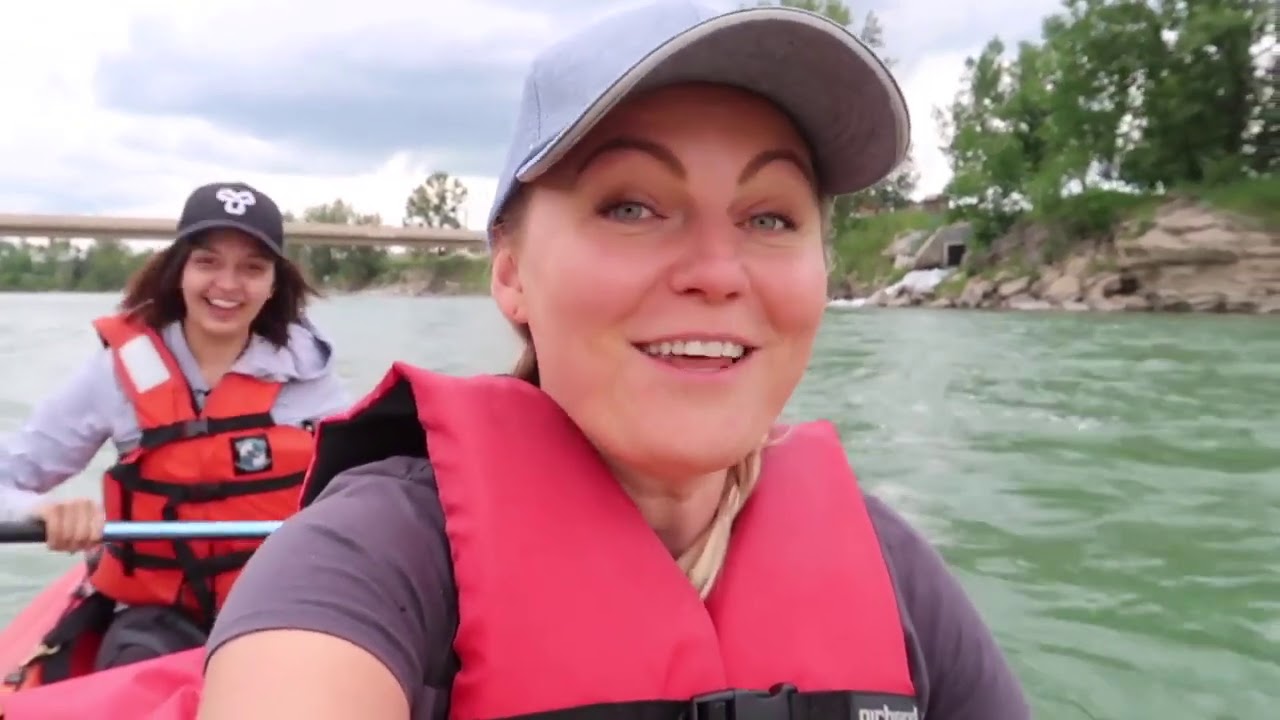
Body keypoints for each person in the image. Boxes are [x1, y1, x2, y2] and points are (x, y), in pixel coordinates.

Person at [200, 4, 1031, 720]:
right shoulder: (371, 562)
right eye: (632, 207)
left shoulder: (893, 572)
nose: (717, 271)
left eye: (771, 218)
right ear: (512, 273)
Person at [0, 180, 349, 685]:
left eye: (252, 267)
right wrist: (39, 512)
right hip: (158, 616)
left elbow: (366, 491)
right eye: (207, 262)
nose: (228, 284)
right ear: (178, 270)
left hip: (281, 605)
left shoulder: (311, 376)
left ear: (275, 284)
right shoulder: (115, 374)